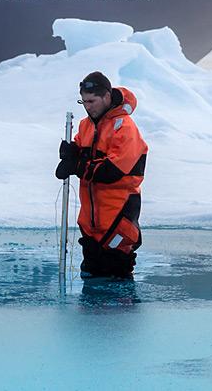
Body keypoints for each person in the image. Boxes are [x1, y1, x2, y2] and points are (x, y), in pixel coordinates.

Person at [55, 72, 148, 279]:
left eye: (92, 101)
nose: (88, 107)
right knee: (90, 276)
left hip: (117, 217)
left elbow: (112, 171)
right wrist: (71, 152)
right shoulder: (85, 125)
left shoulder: (124, 127)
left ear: (106, 97)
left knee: (114, 280)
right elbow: (81, 151)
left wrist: (77, 165)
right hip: (91, 223)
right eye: (84, 101)